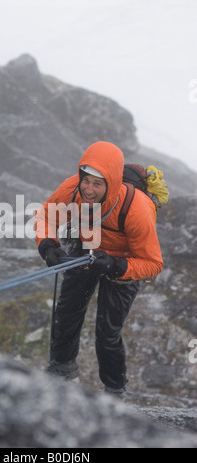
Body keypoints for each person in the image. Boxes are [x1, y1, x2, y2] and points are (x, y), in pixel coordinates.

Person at [35, 141, 163, 395]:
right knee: (68, 311)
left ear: (112, 183)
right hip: (87, 247)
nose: (89, 190)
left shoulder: (136, 209)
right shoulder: (73, 190)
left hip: (123, 264)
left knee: (107, 332)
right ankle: (62, 367)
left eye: (98, 183)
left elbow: (153, 263)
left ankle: (115, 390)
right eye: (86, 180)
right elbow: (46, 216)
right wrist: (48, 245)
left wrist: (114, 265)